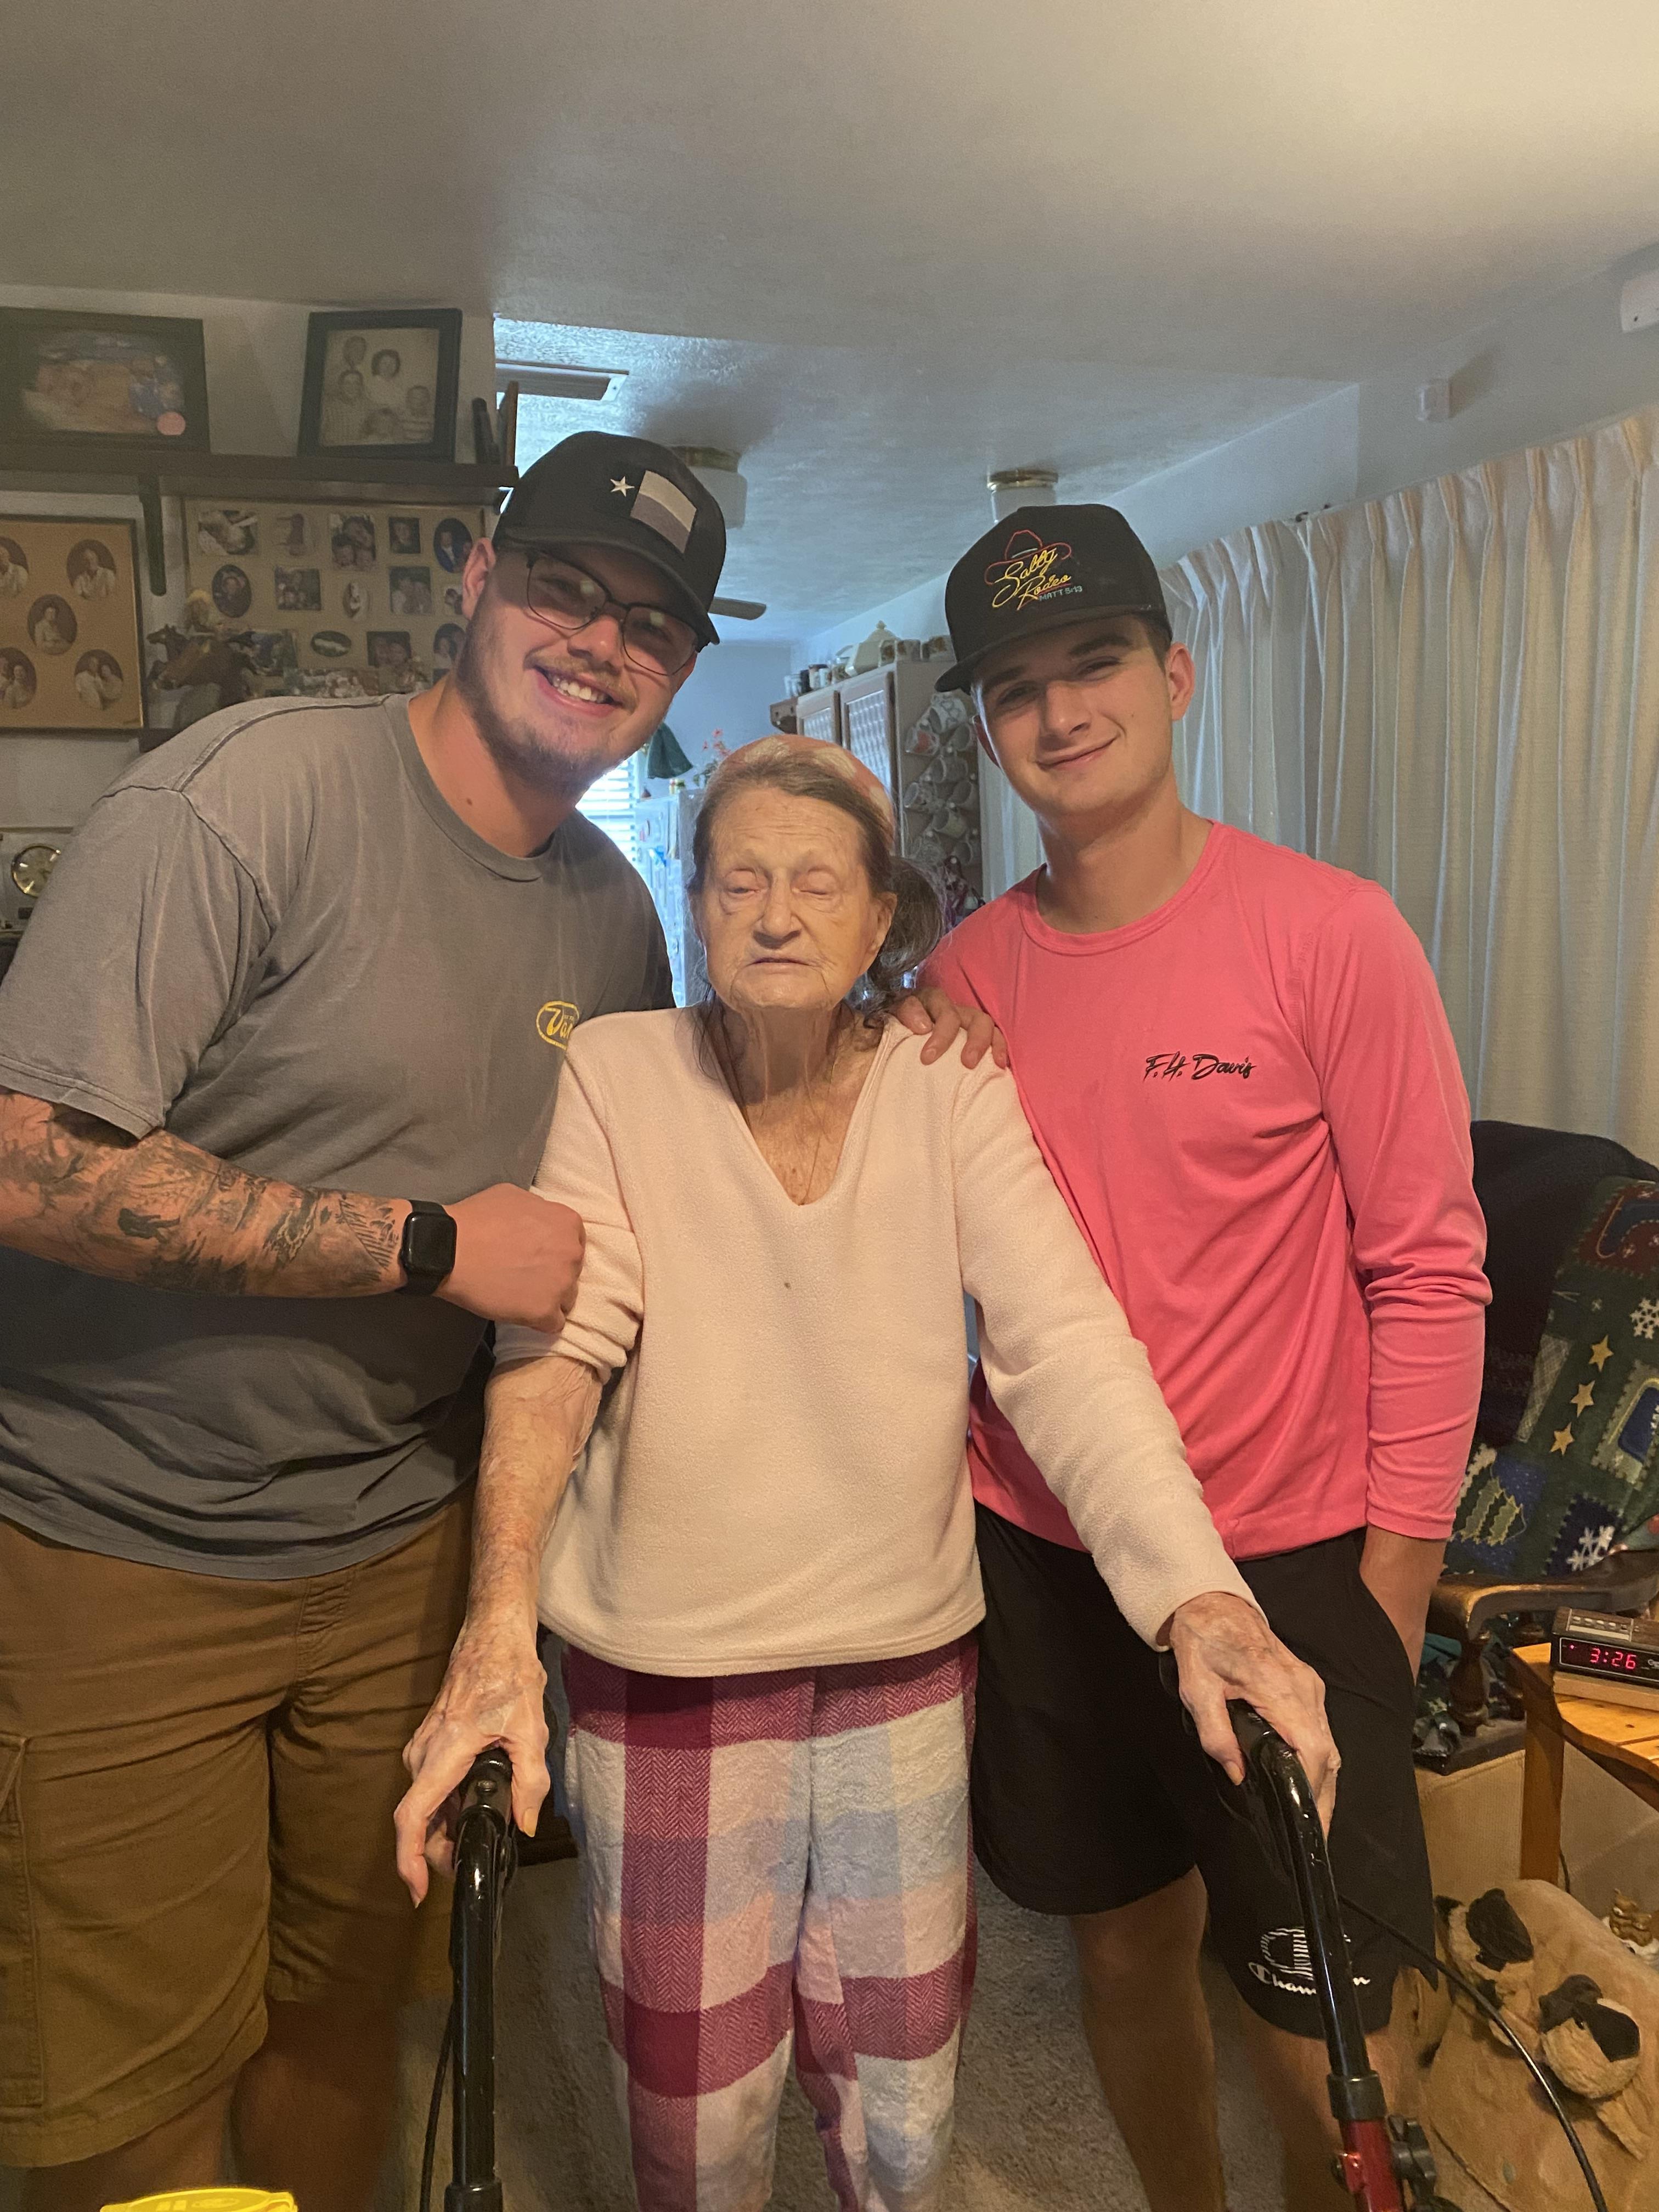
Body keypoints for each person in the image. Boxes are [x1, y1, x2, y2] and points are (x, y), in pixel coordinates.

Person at [0, 432, 984, 2212]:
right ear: (472, 577)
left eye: (655, 626)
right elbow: (23, 1166)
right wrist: (425, 1244)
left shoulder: (613, 924)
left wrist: (907, 1006)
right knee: (125, 2083)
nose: (604, 643)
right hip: (125, 1544)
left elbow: (692, 1138)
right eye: (567, 589)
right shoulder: (249, 798)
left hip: (402, 1547)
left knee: (354, 2021)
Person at [394, 732, 1339, 2212]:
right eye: (742, 880)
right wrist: (498, 1623)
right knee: (693, 2120)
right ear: (693, 904)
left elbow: (1065, 1346)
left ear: (882, 917)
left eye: (818, 885)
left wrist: (1200, 1600)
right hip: (674, 1680)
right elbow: (557, 1353)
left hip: (902, 1668)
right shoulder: (624, 1070)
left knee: (905, 2105)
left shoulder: (944, 1081)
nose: (777, 914)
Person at [921, 504, 1490, 2212]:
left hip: (1297, 1553)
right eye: (1014, 685)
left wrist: (1394, 1579)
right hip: (1049, 1548)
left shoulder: (1331, 933)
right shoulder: (962, 974)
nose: (1060, 710)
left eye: (1092, 661)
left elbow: (1433, 1267)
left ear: (1174, 673)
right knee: (1120, 1955)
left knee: (1324, 2021)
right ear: (987, 725)